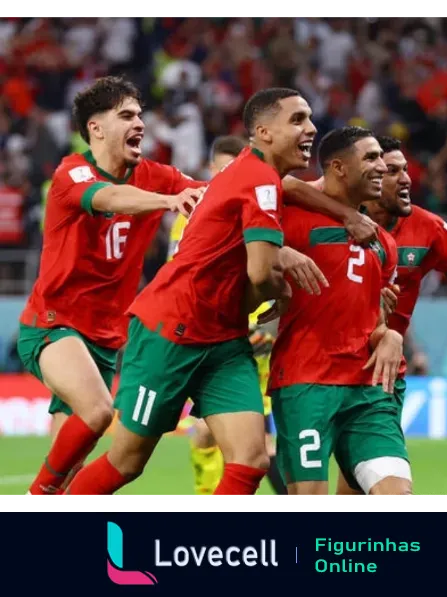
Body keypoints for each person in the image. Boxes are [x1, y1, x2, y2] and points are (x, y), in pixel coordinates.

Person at [64, 87, 329, 497]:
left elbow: (291, 201)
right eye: (297, 120)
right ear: (264, 132)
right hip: (171, 333)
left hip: (222, 339)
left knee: (251, 459)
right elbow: (261, 274)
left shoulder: (261, 176)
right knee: (127, 461)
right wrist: (283, 289)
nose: (310, 128)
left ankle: (209, 553)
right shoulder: (258, 180)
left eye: (309, 118)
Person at [18, 75, 207, 496]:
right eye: (126, 115)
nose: (140, 122)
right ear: (95, 128)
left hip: (104, 337)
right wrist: (168, 202)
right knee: (99, 411)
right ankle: (36, 496)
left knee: (73, 467)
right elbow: (108, 198)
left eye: (140, 114)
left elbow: (208, 195)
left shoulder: (153, 174)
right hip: (53, 323)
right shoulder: (71, 173)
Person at [335, 135, 447, 496]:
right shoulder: (330, 213)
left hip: (378, 376)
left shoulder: (427, 227)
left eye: (406, 170)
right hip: (321, 368)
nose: (406, 179)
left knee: (381, 491)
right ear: (366, 175)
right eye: (393, 171)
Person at [267, 126, 411, 497]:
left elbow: (372, 319)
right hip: (307, 381)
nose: (382, 167)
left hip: (366, 391)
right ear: (338, 167)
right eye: (371, 158)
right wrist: (277, 253)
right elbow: (253, 190)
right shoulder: (287, 215)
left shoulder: (385, 244)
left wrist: (390, 335)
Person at [171, 135, 286, 496]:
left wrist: (270, 325)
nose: (226, 176)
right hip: (209, 337)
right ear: (210, 170)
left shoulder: (266, 207)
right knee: (207, 435)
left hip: (257, 345)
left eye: (231, 169)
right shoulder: (190, 216)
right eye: (219, 169)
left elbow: (274, 274)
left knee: (258, 445)